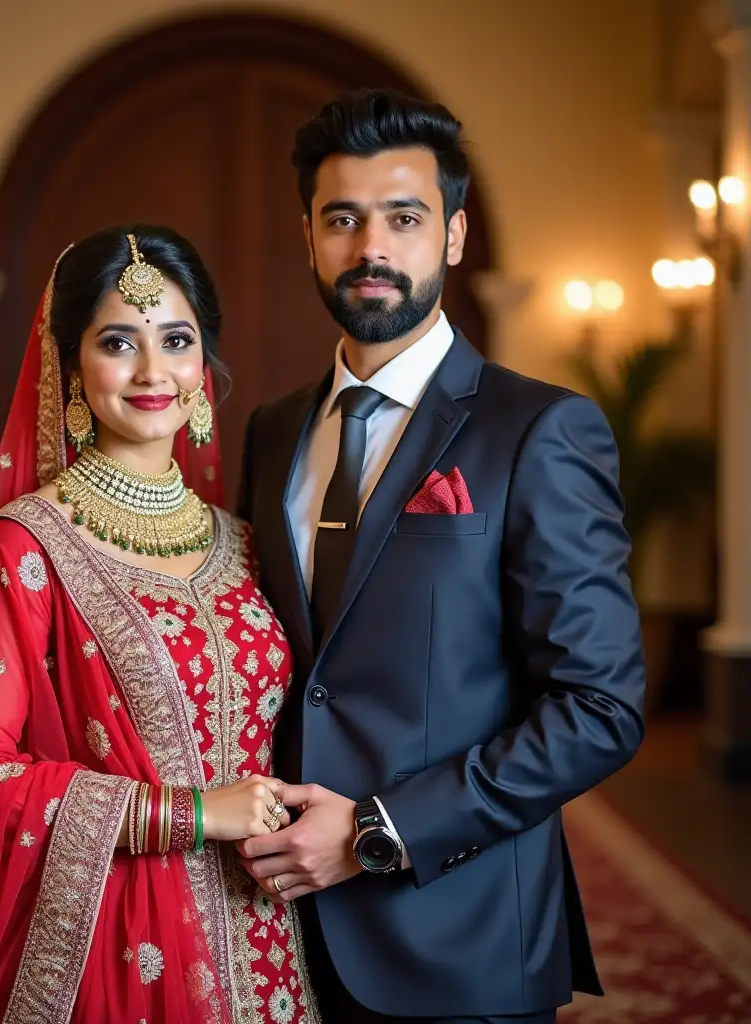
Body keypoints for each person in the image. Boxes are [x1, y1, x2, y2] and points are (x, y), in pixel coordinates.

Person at [235, 89, 646, 1023]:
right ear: (308, 236)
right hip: (272, 930)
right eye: (342, 218)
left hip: (457, 932)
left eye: (405, 217)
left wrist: (380, 834)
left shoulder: (538, 428)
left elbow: (601, 707)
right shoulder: (269, 433)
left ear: (454, 237)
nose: (370, 247)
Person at [0, 226, 319, 1023]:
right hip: (113, 947)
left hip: (268, 935)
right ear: (73, 367)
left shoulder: (248, 542)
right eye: (119, 342)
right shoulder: (24, 548)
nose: (153, 371)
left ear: (202, 366)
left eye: (176, 340)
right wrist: (192, 812)